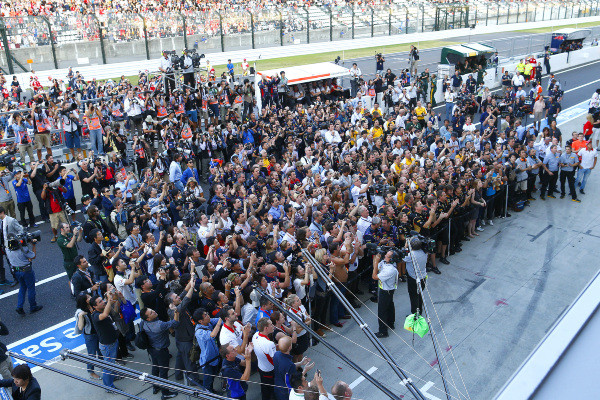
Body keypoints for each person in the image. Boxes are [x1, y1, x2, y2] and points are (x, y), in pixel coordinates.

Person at [140, 306, 179, 399]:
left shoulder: (143, 322)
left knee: (155, 368)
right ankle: (165, 393)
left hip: (152, 349)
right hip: (161, 351)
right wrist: (176, 311)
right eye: (151, 313)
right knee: (163, 372)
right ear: (148, 318)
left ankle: (156, 386)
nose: (154, 311)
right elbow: (175, 323)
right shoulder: (159, 325)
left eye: (152, 310)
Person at [89, 292, 120, 392]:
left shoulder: (103, 308)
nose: (103, 302)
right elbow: (105, 314)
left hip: (112, 342)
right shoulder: (95, 316)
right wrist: (109, 301)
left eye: (102, 300)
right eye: (100, 302)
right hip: (108, 345)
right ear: (95, 306)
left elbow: (113, 309)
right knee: (108, 367)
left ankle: (113, 376)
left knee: (111, 363)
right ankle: (109, 387)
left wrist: (113, 296)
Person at [193, 307, 223, 393]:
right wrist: (219, 322)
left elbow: (220, 320)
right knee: (208, 379)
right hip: (207, 360)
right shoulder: (199, 332)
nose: (208, 316)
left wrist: (223, 315)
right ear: (200, 321)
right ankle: (208, 394)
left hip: (215, 356)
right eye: (205, 315)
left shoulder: (208, 322)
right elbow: (212, 335)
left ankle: (211, 391)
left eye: (207, 314)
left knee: (213, 375)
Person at [372, 250, 399, 338]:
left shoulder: (390, 270)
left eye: (387, 256)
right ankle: (390, 323)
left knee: (382, 311)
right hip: (389, 289)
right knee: (390, 305)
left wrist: (376, 261)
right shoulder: (387, 263)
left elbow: (374, 276)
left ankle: (383, 332)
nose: (384, 256)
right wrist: (376, 259)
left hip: (385, 291)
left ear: (391, 259)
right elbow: (377, 267)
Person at [252, 317, 277, 400]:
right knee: (272, 392)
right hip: (270, 370)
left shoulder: (255, 335)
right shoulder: (269, 344)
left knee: (265, 388)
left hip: (261, 367)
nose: (273, 326)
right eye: (271, 325)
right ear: (266, 328)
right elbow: (275, 360)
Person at [404, 236, 428, 315]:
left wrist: (406, 246)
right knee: (419, 295)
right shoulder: (424, 252)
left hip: (413, 279)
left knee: (413, 297)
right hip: (423, 277)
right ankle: (419, 312)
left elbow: (402, 257)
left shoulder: (410, 256)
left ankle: (415, 315)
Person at [57, 222, 83, 291]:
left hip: (76, 259)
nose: (69, 229)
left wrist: (80, 233)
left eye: (68, 227)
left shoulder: (70, 235)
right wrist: (74, 235)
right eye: (67, 227)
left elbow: (79, 240)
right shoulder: (60, 239)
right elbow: (70, 245)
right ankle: (73, 292)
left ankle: (80, 289)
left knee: (80, 274)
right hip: (69, 262)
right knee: (72, 279)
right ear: (62, 229)